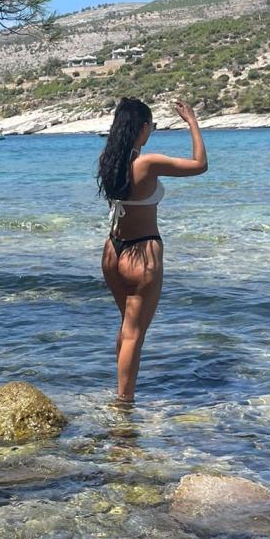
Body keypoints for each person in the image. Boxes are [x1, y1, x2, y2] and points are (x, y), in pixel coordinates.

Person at [97, 97, 208, 403]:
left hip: (112, 251)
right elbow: (200, 165)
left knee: (127, 327)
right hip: (142, 253)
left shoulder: (108, 160)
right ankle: (124, 404)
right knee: (134, 333)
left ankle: (119, 393)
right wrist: (192, 122)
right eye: (153, 127)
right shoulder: (147, 163)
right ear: (143, 128)